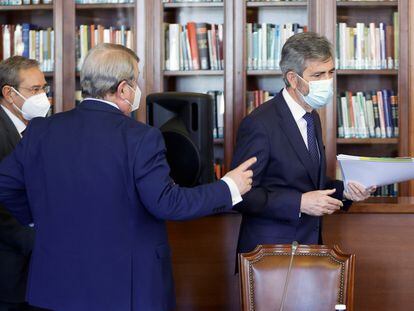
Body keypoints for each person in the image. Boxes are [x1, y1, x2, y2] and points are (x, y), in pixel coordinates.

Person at [0, 43, 255, 311]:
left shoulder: (42, 131)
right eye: (136, 81)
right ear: (123, 89)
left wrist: (37, 218)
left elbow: (5, 185)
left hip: (56, 288)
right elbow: (167, 203)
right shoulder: (140, 137)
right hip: (125, 290)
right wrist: (228, 187)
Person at [231, 32, 375, 256]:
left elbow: (308, 182)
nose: (327, 82)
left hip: (307, 248)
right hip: (269, 254)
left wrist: (346, 191)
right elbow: (240, 195)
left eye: (330, 73)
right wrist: (298, 203)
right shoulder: (259, 124)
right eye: (317, 75)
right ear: (292, 78)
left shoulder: (312, 116)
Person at [0, 56, 50, 311]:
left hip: (39, 271)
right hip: (10, 268)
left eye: (44, 88)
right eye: (35, 89)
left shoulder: (41, 129)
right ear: (9, 93)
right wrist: (35, 241)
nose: (43, 97)